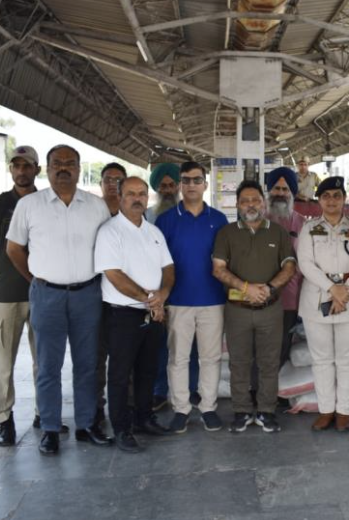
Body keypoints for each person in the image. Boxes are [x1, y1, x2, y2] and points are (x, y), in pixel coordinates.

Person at [6, 144, 112, 456]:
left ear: (79, 169)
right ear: (47, 169)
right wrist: (36, 279)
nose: (63, 168)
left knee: (88, 364)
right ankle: (50, 428)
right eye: (56, 163)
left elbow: (108, 249)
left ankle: (86, 425)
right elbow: (14, 249)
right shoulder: (30, 205)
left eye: (70, 163)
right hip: (47, 295)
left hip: (87, 295)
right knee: (48, 366)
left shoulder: (96, 206)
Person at [0, 145, 66, 446]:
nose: (21, 171)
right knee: (4, 361)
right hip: (8, 297)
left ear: (37, 170)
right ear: (11, 171)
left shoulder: (49, 202)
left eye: (27, 166)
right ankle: (4, 420)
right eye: (16, 166)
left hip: (43, 294)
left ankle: (44, 415)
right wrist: (9, 277)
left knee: (44, 360)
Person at [94, 177, 174, 452]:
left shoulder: (153, 231)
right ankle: (122, 429)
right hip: (122, 315)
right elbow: (114, 275)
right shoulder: (110, 232)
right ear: (120, 195)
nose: (137, 198)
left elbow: (168, 267)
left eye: (142, 194)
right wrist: (148, 299)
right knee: (119, 374)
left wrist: (162, 295)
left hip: (152, 313)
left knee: (147, 370)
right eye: (131, 194)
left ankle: (144, 418)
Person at [213, 180, 297, 433]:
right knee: (238, 362)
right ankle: (241, 411)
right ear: (237, 205)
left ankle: (266, 411)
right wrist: (246, 288)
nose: (251, 204)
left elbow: (289, 267)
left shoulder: (278, 232)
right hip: (237, 310)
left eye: (255, 199)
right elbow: (218, 269)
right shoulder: (226, 233)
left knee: (269, 362)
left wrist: (268, 289)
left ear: (264, 202)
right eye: (245, 200)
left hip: (270, 309)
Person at [155, 161, 227, 434]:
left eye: (197, 180)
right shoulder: (165, 220)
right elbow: (159, 264)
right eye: (186, 180)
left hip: (212, 300)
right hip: (178, 301)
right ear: (180, 185)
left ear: (206, 185)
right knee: (178, 358)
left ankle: (208, 407)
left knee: (210, 358)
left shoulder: (218, 219)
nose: (191, 185)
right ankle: (181, 409)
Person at [297, 177, 349, 431]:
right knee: (322, 359)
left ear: (344, 199)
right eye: (326, 196)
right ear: (319, 200)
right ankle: (326, 409)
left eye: (336, 196)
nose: (331, 201)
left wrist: (345, 292)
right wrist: (332, 290)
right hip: (318, 299)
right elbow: (305, 263)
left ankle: (344, 412)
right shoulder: (309, 228)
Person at [145, 163, 199, 411]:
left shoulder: (191, 212)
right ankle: (158, 391)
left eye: (171, 185)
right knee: (159, 347)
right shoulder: (147, 217)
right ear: (156, 188)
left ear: (179, 187)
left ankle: (191, 391)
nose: (167, 190)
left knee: (190, 347)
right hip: (155, 293)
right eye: (162, 186)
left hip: (187, 291)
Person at [95, 162, 127, 428]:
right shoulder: (90, 213)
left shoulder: (136, 216)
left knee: (124, 356)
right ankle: (96, 407)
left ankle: (125, 406)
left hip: (126, 300)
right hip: (94, 297)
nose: (113, 184)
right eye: (108, 179)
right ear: (101, 184)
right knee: (95, 356)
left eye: (119, 180)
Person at [265, 167, 305, 369]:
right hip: (260, 296)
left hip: (289, 299)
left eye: (285, 189)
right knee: (259, 346)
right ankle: (258, 391)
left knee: (282, 347)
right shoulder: (256, 219)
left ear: (292, 193)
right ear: (269, 190)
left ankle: (279, 393)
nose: (280, 193)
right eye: (276, 188)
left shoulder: (302, 223)